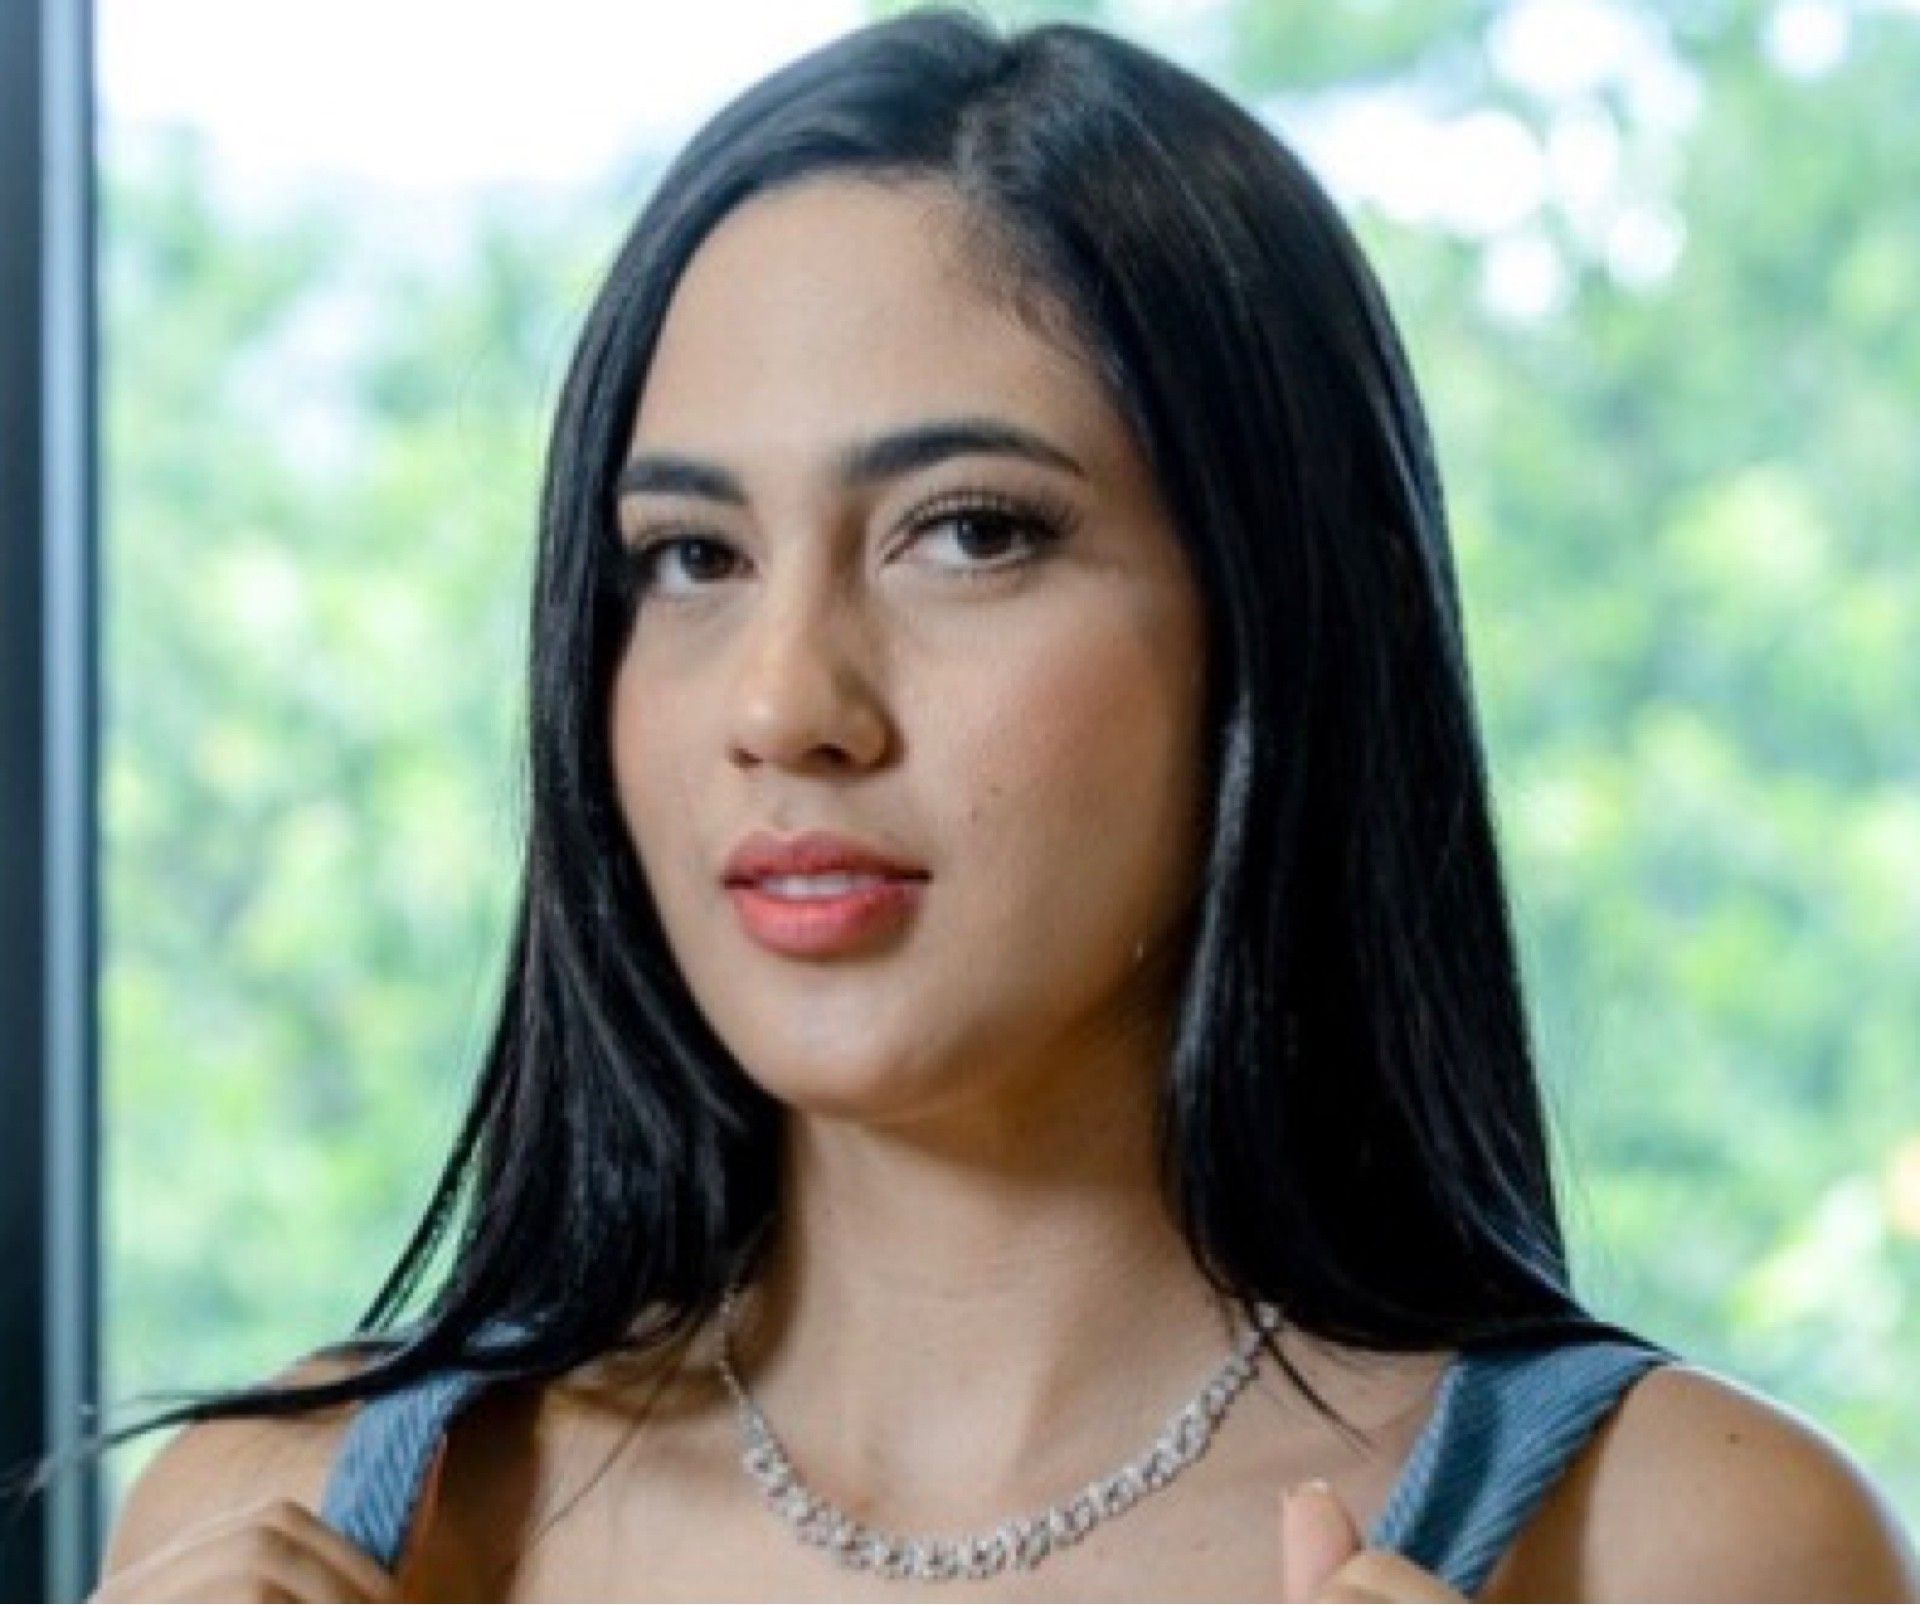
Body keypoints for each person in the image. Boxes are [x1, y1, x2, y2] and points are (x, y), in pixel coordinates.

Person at [85, 9, 1916, 1601]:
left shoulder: (1690, 1548)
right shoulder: (272, 1518)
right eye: (693, 554)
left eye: (969, 533)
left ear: (1280, 623)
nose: (785, 705)